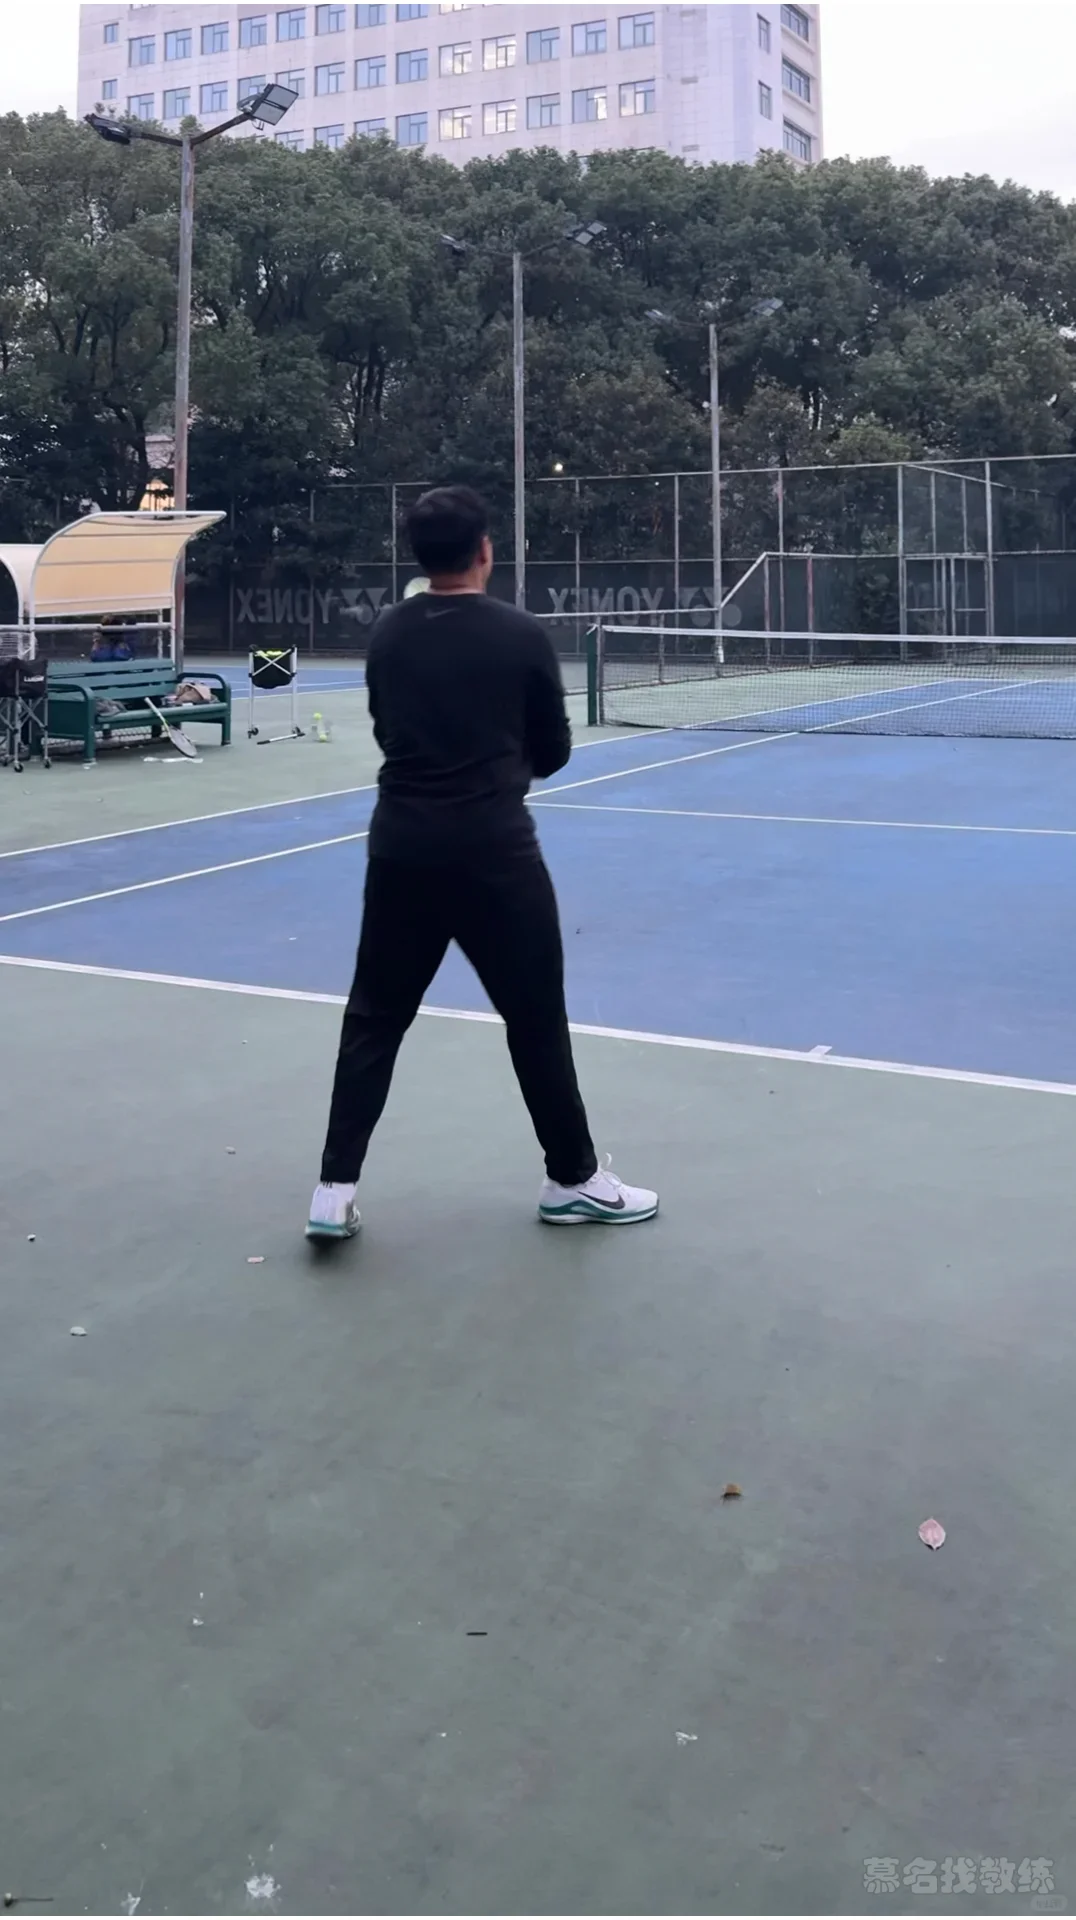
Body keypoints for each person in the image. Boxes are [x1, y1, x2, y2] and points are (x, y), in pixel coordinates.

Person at [306, 485, 658, 1240]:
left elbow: (386, 728)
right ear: (485, 552)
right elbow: (553, 751)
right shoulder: (520, 635)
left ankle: (332, 1192)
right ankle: (573, 1181)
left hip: (399, 848)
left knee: (374, 1017)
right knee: (535, 1018)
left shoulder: (389, 634)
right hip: (495, 854)